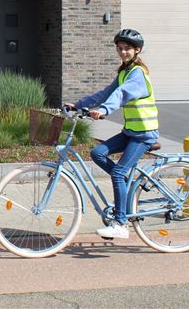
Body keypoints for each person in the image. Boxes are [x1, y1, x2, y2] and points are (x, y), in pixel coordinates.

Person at [64, 29, 159, 239]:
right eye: (120, 48)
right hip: (130, 132)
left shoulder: (138, 74)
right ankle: (123, 184)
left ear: (137, 51)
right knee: (97, 153)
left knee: (117, 173)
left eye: (127, 49)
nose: (123, 52)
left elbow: (120, 94)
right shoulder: (124, 72)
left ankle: (121, 223)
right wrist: (79, 105)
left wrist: (104, 110)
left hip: (144, 135)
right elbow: (106, 92)